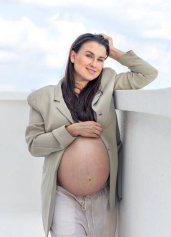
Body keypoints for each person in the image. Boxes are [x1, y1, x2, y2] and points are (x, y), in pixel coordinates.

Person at [25, 33, 158, 237]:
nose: (94, 64)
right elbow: (34, 145)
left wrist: (113, 51)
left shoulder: (108, 82)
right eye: (89, 55)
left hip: (103, 197)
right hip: (64, 198)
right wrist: (70, 131)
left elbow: (147, 74)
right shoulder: (42, 98)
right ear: (72, 56)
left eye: (100, 59)